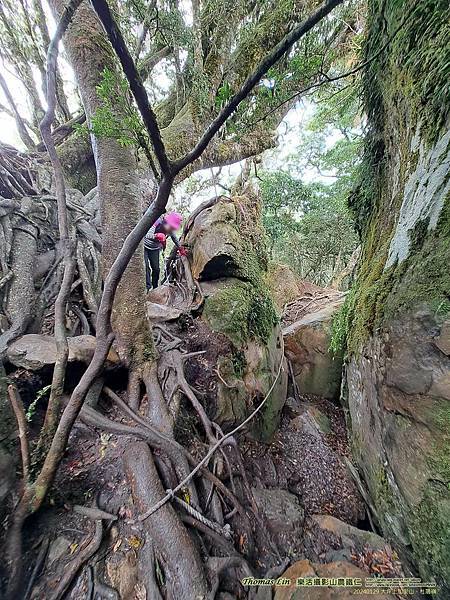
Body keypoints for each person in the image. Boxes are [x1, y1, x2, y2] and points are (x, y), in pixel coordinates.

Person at [144, 211, 187, 289]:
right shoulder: (156, 222)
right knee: (145, 267)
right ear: (166, 222)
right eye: (171, 227)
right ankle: (147, 287)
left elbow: (175, 239)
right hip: (144, 246)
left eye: (173, 228)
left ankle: (155, 287)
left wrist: (180, 248)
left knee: (156, 269)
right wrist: (156, 236)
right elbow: (146, 235)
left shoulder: (170, 230)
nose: (171, 229)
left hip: (154, 249)